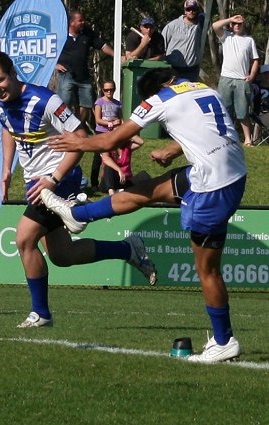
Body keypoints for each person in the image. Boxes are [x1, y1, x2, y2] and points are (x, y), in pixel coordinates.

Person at [41, 67, 247, 363]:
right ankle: (78, 214)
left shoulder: (159, 100)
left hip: (212, 188)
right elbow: (207, 129)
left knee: (208, 271)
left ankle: (224, 341)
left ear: (153, 90)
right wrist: (170, 152)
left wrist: (80, 143)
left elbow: (111, 140)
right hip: (231, 173)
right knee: (148, 190)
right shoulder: (205, 88)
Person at [0, 50, 156, 328]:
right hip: (35, 181)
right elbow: (7, 129)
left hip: (60, 178)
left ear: (13, 73)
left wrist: (53, 178)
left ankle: (41, 314)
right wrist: (6, 170)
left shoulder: (45, 100)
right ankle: (126, 250)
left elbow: (81, 139)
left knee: (24, 239)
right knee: (63, 256)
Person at [56, 10, 114, 126]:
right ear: (72, 22)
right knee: (64, 102)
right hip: (66, 74)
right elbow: (48, 51)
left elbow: (102, 46)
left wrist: (117, 56)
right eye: (80, 20)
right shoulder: (60, 34)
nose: (83, 22)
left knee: (86, 104)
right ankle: (63, 128)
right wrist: (55, 65)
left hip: (83, 76)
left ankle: (76, 127)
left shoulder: (87, 33)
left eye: (83, 20)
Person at [212, 14, 259, 147]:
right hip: (225, 79)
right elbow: (215, 26)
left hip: (241, 81)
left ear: (244, 25)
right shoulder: (226, 36)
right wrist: (230, 19)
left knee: (242, 111)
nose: (237, 26)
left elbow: (255, 60)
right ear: (231, 25)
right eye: (235, 24)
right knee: (223, 110)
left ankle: (247, 139)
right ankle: (222, 137)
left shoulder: (249, 40)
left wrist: (251, 76)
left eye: (240, 24)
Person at [90, 79, 122, 192]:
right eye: (106, 90)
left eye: (111, 90)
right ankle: (94, 184)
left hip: (113, 133)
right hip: (101, 133)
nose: (109, 92)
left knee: (114, 158)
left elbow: (121, 118)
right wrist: (110, 123)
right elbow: (98, 120)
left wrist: (119, 122)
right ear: (103, 90)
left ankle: (114, 181)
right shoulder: (99, 102)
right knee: (97, 160)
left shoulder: (118, 103)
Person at [161, 0, 204, 81]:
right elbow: (161, 46)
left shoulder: (201, 25)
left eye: (194, 9)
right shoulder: (172, 26)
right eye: (188, 9)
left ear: (197, 10)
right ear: (185, 10)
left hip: (192, 71)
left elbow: (209, 18)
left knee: (190, 93)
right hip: (173, 69)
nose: (191, 11)